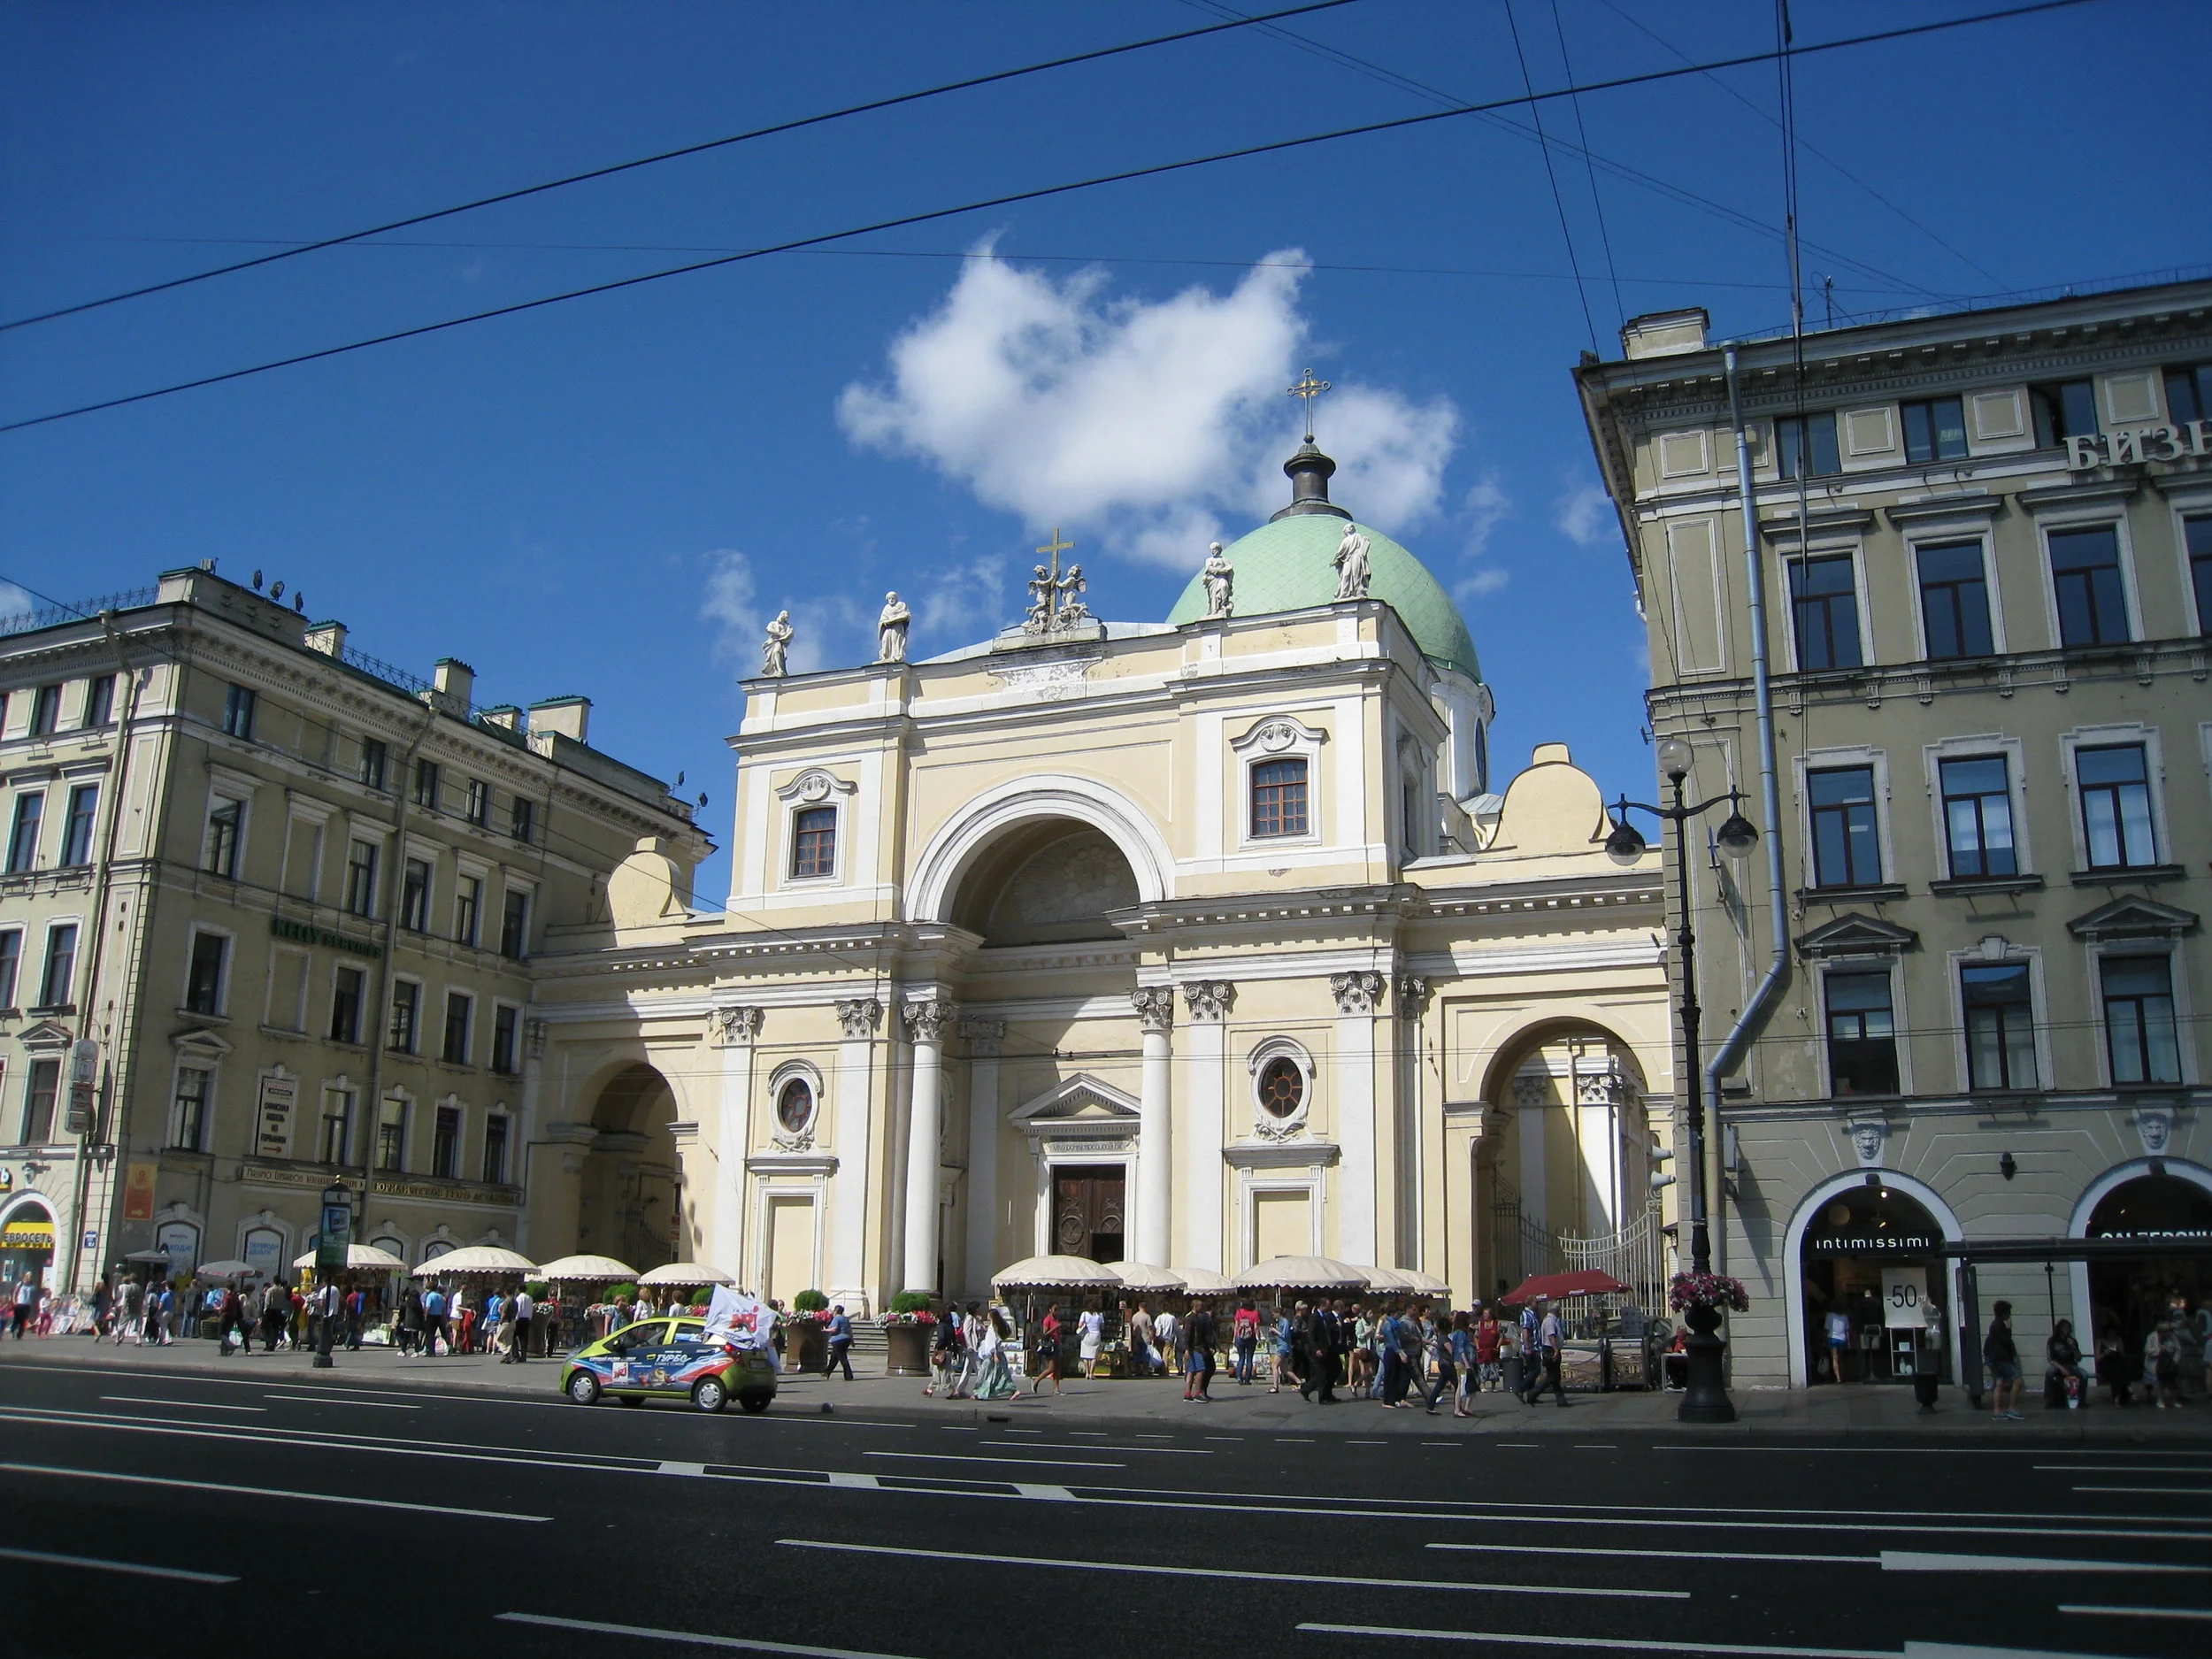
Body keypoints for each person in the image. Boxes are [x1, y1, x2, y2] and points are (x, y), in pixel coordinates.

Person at [1984, 1300, 2023, 1421]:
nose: (2009, 1315)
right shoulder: (1999, 1326)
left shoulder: (1995, 1325)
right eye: (2008, 1312)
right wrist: (2009, 1329)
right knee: (2017, 1380)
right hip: (2001, 1359)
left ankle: (1997, 1411)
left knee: (2000, 1382)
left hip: (1996, 1359)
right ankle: (2012, 1408)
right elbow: (2006, 1340)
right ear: (2004, 1313)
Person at [1525, 1296, 1568, 1408]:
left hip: (1551, 1349)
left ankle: (1561, 1400)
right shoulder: (1550, 1321)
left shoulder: (1552, 1320)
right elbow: (1551, 1336)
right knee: (1552, 1377)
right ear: (1555, 1310)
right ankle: (1533, 1394)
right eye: (1559, 1310)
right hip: (1550, 1349)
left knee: (1555, 1377)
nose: (1560, 1312)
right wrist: (1556, 1350)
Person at [973, 1307, 1017, 1401]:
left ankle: (980, 1392)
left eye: (988, 1315)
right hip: (995, 1354)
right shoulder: (994, 1327)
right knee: (996, 1374)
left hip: (993, 1355)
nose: (987, 1316)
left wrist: (994, 1354)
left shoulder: (993, 1328)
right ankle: (981, 1392)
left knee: (986, 1373)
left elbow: (994, 1343)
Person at [926, 1303, 964, 1397]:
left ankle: (954, 1390)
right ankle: (930, 1388)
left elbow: (942, 1338)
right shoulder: (950, 1326)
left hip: (942, 1351)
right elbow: (954, 1340)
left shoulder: (941, 1326)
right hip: (949, 1350)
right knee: (945, 1371)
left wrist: (937, 1346)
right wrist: (955, 1351)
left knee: (942, 1371)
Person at [2146, 1320, 2183, 1409]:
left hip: (2170, 1362)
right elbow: (2147, 1350)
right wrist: (2159, 1351)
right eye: (2163, 1331)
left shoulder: (2173, 1337)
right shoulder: (2152, 1337)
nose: (2166, 1333)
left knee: (2172, 1383)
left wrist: (2175, 1360)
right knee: (2161, 1383)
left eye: (2167, 1331)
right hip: (2158, 1363)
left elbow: (2178, 1349)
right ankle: (2160, 1400)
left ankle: (2173, 1400)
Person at [1185, 1302, 1217, 1401]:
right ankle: (1198, 1393)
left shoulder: (1195, 1317)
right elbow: (1188, 1334)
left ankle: (1188, 1394)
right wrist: (1187, 1349)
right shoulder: (1193, 1318)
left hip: (1194, 1348)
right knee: (1201, 1369)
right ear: (1195, 1306)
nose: (1203, 1308)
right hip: (1196, 1348)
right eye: (1201, 1306)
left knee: (1191, 1370)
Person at [1031, 1304, 1064, 1396]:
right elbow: (1045, 1334)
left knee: (1058, 1367)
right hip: (1050, 1346)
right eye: (1055, 1309)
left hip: (1057, 1344)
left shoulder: (1056, 1319)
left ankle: (1056, 1389)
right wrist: (1055, 1328)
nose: (1057, 1312)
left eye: (1058, 1310)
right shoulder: (1047, 1320)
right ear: (1050, 1310)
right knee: (1051, 1368)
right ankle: (1036, 1380)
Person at [1474, 1305, 1502, 1393]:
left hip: (1493, 1350)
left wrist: (1497, 1347)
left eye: (1486, 1314)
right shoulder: (1481, 1324)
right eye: (1484, 1314)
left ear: (1491, 1315)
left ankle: (1493, 1386)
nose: (1484, 1315)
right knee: (1483, 1367)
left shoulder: (1497, 1324)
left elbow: (1501, 1336)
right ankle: (1482, 1385)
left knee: (1494, 1367)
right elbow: (1476, 1336)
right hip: (1483, 1350)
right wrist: (1478, 1348)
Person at [503, 1286, 534, 1363]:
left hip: (519, 1319)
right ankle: (523, 1356)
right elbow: (531, 1309)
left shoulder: (519, 1298)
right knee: (524, 1338)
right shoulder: (530, 1298)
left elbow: (518, 1309)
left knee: (512, 1336)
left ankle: (515, 1354)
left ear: (518, 1290)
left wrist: (515, 1318)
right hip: (527, 1319)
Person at [1233, 1299, 1260, 1386]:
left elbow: (1236, 1326)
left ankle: (1239, 1377)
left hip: (1240, 1337)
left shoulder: (1239, 1312)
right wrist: (1258, 1337)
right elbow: (1256, 1327)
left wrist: (1234, 1338)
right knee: (1249, 1359)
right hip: (1251, 1338)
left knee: (1241, 1358)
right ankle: (1247, 1379)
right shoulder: (1255, 1313)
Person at [824, 1303, 855, 1379]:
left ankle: (849, 1375)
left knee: (842, 1358)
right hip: (847, 1339)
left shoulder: (836, 1318)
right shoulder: (845, 1319)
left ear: (836, 1311)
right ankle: (827, 1373)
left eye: (834, 1311)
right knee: (834, 1357)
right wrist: (852, 1340)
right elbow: (850, 1330)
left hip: (838, 1340)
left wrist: (826, 1330)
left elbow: (835, 1329)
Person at [1270, 1304, 1295, 1394]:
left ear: (1278, 1313)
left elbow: (1285, 1336)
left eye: (1273, 1314)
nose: (1273, 1316)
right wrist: (1274, 1333)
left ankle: (1275, 1387)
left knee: (1274, 1365)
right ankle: (1299, 1382)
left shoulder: (1285, 1322)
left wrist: (1275, 1331)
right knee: (1285, 1369)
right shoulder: (1280, 1322)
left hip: (1283, 1347)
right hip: (1282, 1346)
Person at [1824, 1306, 1853, 1383]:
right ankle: (1842, 1376)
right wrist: (1849, 1341)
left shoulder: (1829, 1315)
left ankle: (1838, 1378)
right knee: (1841, 1359)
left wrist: (1824, 1340)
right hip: (1842, 1339)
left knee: (1835, 1358)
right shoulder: (1845, 1316)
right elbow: (1847, 1330)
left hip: (1832, 1338)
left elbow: (1826, 1328)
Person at [1078, 1304, 1105, 1378]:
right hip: (1096, 1335)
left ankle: (1087, 1373)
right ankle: (1091, 1373)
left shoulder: (1084, 1314)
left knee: (1085, 1355)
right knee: (1094, 1355)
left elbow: (1080, 1325)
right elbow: (1102, 1326)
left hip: (1087, 1335)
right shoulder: (1100, 1315)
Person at [11, 1273, 36, 1339]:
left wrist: (34, 1304)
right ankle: (13, 1330)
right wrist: (14, 1300)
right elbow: (15, 1292)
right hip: (20, 1303)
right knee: (17, 1319)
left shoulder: (32, 1285)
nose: (29, 1278)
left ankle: (19, 1335)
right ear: (25, 1277)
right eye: (28, 1276)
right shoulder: (20, 1284)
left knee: (24, 1320)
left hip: (27, 1304)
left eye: (30, 1277)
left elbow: (33, 1295)